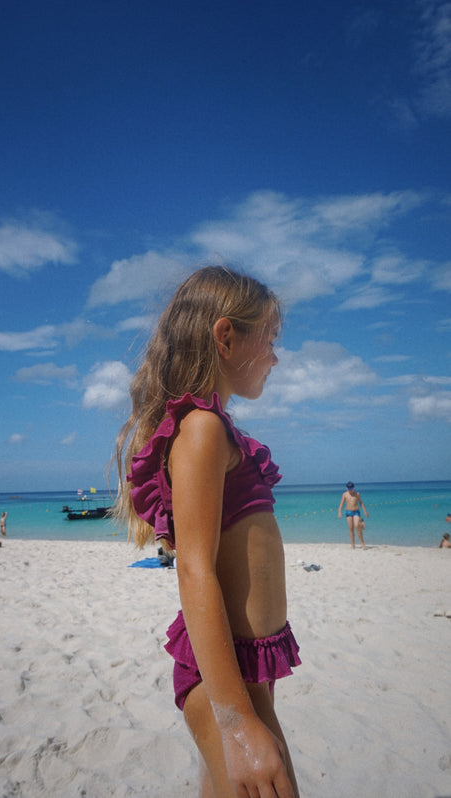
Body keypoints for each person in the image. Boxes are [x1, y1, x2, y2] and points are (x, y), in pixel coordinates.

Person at [115, 266, 301, 798]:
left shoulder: (216, 428)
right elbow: (195, 568)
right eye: (269, 339)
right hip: (225, 680)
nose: (275, 356)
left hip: (246, 668)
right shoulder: (201, 428)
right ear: (226, 336)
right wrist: (236, 721)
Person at [338, 482, 368, 549]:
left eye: (351, 488)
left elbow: (361, 503)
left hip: (356, 512)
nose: (350, 490)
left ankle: (362, 543)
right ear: (347, 488)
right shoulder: (345, 494)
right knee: (351, 529)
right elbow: (341, 504)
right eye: (349, 488)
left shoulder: (357, 494)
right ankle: (353, 545)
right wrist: (339, 511)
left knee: (356, 525)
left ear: (354, 488)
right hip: (348, 512)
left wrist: (365, 511)